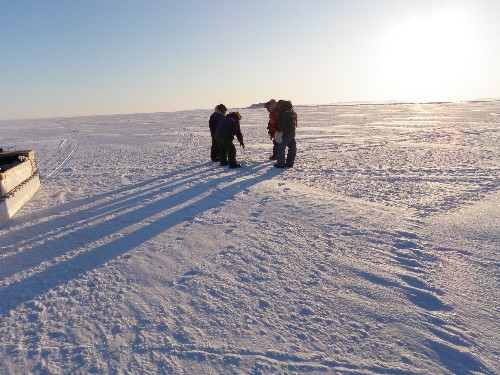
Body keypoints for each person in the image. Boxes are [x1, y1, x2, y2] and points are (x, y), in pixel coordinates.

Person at [273, 100, 297, 168]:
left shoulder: (283, 110)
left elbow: (282, 121)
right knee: (292, 147)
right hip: (292, 132)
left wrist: (279, 130)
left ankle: (280, 163)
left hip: (285, 133)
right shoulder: (292, 110)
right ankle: (290, 163)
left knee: (280, 147)